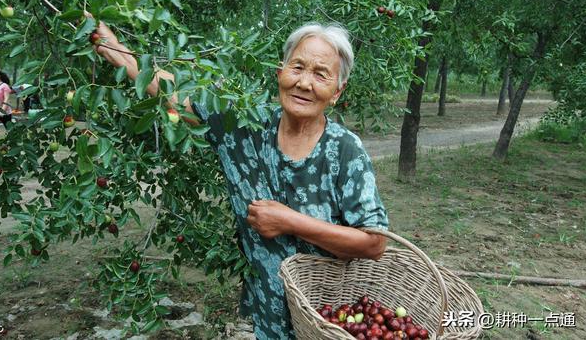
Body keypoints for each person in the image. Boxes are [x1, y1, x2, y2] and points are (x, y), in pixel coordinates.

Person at [92, 21, 389, 339]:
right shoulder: (246, 125)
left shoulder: (344, 150)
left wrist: (291, 222)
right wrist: (116, 50)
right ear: (280, 72)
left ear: (337, 92)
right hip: (268, 316)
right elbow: (175, 95)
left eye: (320, 74)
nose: (304, 82)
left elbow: (374, 241)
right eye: (297, 67)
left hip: (329, 323)